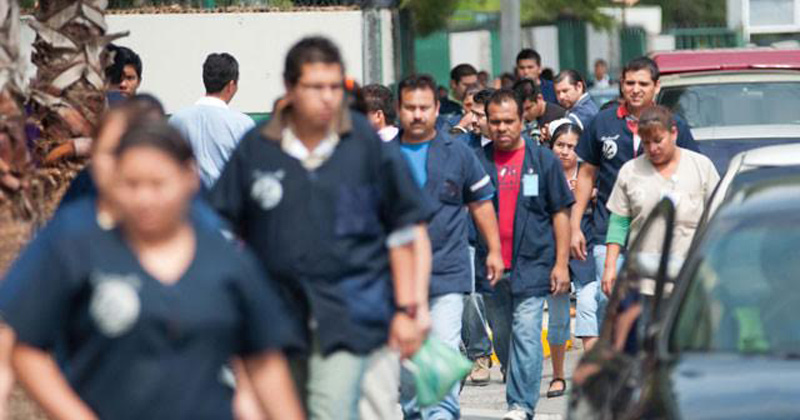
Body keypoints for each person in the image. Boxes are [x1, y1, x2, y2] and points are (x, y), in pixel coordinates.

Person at [0, 122, 304, 420]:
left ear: (189, 178)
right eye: (131, 185)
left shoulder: (225, 258)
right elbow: (26, 346)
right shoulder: (81, 248)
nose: (145, 199)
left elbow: (263, 359)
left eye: (158, 184)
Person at [209, 36, 432, 420]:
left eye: (333, 86)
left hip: (350, 316)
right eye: (315, 87)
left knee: (331, 410)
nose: (327, 97)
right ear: (290, 87)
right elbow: (222, 230)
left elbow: (403, 230)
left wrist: (410, 307)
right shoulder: (258, 147)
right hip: (276, 319)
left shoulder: (363, 144)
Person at [393, 74, 503, 420]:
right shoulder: (382, 157)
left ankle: (441, 414)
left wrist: (494, 250)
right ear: (398, 109)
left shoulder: (458, 153)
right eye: (410, 107)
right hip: (397, 280)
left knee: (441, 356)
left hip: (448, 272)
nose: (417, 114)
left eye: (424, 107)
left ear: (437, 108)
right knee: (409, 371)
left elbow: (481, 204)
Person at [571, 56, 701, 325]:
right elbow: (586, 174)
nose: (636, 89)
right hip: (609, 229)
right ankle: (616, 349)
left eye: (643, 83)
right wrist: (574, 225)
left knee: (658, 304)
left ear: (656, 86)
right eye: (630, 83)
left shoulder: (675, 126)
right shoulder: (602, 122)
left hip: (659, 234)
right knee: (609, 297)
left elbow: (694, 175)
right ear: (621, 84)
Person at [475, 89, 573, 420]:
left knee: (528, 334)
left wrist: (561, 264)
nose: (501, 128)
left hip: (532, 263)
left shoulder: (543, 161)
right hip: (491, 267)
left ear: (521, 121)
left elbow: (561, 212)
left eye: (508, 121)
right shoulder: (477, 162)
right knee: (503, 337)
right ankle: (514, 380)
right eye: (495, 122)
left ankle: (520, 406)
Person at [602, 106, 719, 295]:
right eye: (646, 143)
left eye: (658, 141)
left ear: (673, 133)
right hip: (643, 281)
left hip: (690, 278)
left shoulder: (701, 167)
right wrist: (610, 267)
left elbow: (718, 217)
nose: (653, 149)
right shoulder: (630, 171)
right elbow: (619, 222)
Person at [542, 118, 599, 397]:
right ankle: (557, 376)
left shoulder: (590, 174)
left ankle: (593, 375)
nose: (565, 151)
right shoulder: (540, 172)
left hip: (584, 250)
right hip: (552, 253)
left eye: (571, 146)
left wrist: (592, 195)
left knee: (588, 306)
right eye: (560, 145)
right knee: (557, 317)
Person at [169, 53, 255, 189]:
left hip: (187, 198)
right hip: (226, 198)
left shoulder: (176, 120)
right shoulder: (243, 124)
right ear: (231, 85)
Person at [512, 78, 565, 145]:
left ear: (539, 98)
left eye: (528, 108)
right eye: (521, 110)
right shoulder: (523, 120)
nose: (524, 114)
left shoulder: (559, 117)